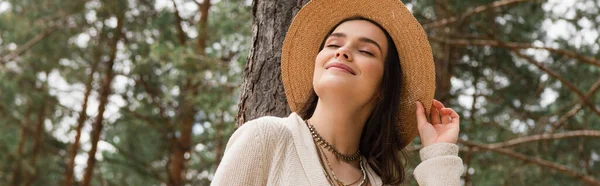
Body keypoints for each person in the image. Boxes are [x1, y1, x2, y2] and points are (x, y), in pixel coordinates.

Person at [212, 0, 464, 185]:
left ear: (384, 89)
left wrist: (439, 153)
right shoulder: (266, 138)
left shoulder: (376, 181)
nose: (342, 52)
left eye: (366, 51)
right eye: (333, 44)